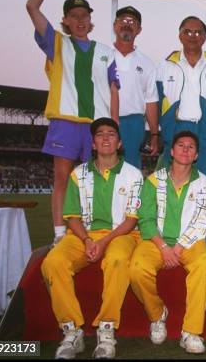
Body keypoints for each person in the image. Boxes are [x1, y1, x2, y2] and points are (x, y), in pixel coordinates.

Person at [26, 0, 119, 244]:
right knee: (63, 179)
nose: (80, 20)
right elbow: (32, 7)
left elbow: (114, 89)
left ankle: (91, 231)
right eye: (74, 15)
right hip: (65, 122)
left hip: (96, 126)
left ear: (91, 20)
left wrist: (113, 125)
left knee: (95, 182)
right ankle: (59, 236)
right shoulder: (56, 43)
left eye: (85, 15)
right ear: (65, 20)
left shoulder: (105, 52)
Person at [41, 118, 143, 359]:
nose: (106, 137)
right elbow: (72, 216)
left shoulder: (133, 175)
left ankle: (106, 329)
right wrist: (87, 240)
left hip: (121, 234)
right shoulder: (78, 174)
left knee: (117, 260)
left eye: (111, 134)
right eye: (100, 134)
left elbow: (130, 221)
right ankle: (71, 330)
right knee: (52, 263)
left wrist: (103, 242)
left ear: (119, 143)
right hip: (82, 234)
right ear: (93, 144)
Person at [129, 130, 206, 354]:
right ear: (171, 151)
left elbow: (203, 220)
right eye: (181, 145)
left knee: (205, 266)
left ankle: (191, 331)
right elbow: (145, 219)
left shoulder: (205, 184)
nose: (186, 149)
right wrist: (163, 247)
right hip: (156, 241)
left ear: (196, 155)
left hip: (190, 242)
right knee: (137, 269)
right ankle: (157, 315)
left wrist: (177, 248)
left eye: (191, 147)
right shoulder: (153, 180)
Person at [156, 16, 206, 176]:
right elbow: (157, 102)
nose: (192, 36)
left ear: (204, 37)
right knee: (171, 184)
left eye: (198, 33)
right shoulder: (166, 65)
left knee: (205, 185)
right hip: (176, 132)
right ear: (180, 35)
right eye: (187, 32)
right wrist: (166, 130)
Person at [112, 6, 159, 169]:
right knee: (103, 169)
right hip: (105, 119)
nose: (127, 24)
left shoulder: (147, 63)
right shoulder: (101, 56)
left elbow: (151, 101)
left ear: (139, 29)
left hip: (134, 123)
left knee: (131, 170)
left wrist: (154, 134)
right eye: (123, 20)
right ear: (114, 25)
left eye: (132, 22)